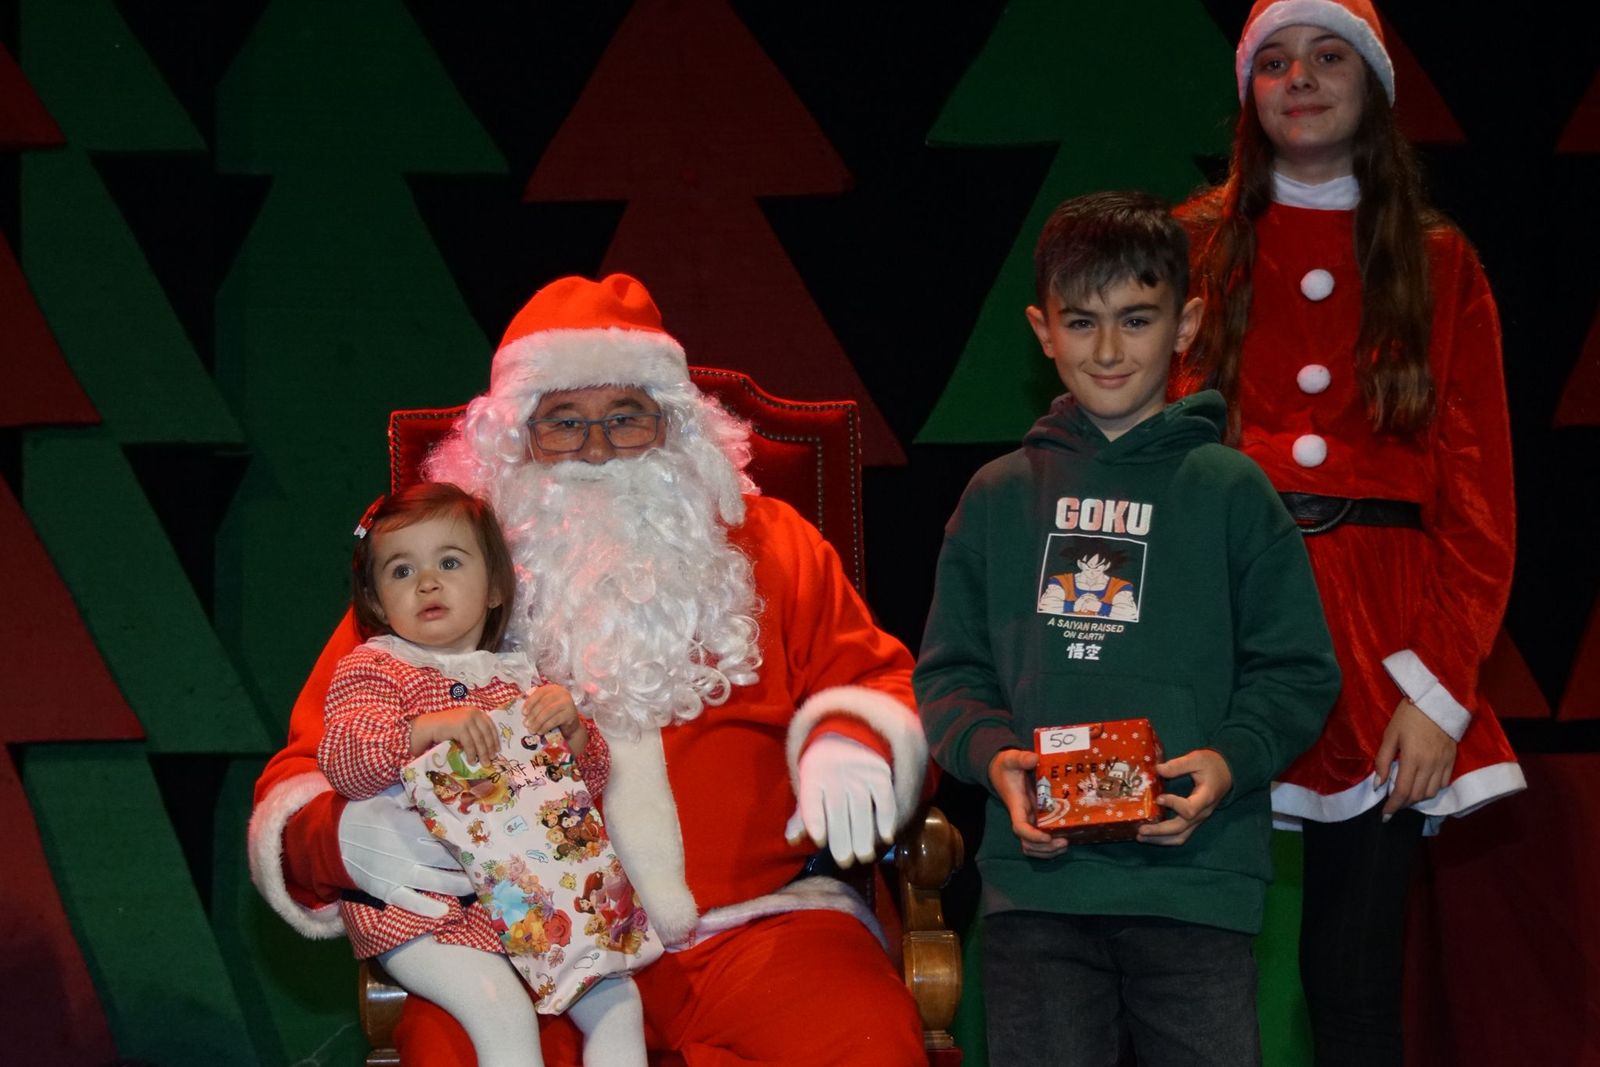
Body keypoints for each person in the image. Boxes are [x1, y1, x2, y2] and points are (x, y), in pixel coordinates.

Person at [247, 273, 929, 1065]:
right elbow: (309, 764)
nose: (598, 447)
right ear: (512, 440)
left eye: (626, 418)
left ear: (673, 424)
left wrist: (852, 740)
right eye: (563, 423)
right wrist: (341, 838)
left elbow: (874, 676)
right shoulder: (444, 567)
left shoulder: (772, 544)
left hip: (761, 926)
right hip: (521, 942)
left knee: (863, 1043)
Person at [915, 190, 1341, 1067]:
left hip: (1198, 883)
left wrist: (1225, 763)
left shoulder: (1232, 490)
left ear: (1184, 324)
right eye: (1082, 321)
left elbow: (1297, 671)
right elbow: (949, 676)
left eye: (1136, 318)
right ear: (1043, 329)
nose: (1108, 350)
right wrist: (998, 759)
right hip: (1040, 890)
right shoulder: (997, 497)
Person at [1177, 2, 1526, 1062]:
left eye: (1328, 56)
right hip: (1226, 622)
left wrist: (1437, 688)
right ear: (1248, 93)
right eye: (1274, 61)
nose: (1300, 78)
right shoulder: (1193, 246)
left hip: (1384, 644)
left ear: (1371, 84)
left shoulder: (1438, 263)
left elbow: (1479, 499)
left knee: (1354, 980)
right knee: (1190, 970)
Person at [317, 481, 644, 1067]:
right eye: (400, 571)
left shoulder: (519, 677)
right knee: (501, 1014)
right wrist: (421, 731)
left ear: (494, 587)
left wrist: (572, 733)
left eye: (449, 561)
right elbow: (343, 758)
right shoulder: (377, 669)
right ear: (375, 602)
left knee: (620, 1000)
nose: (426, 582)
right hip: (424, 911)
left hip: (534, 900)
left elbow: (582, 792)